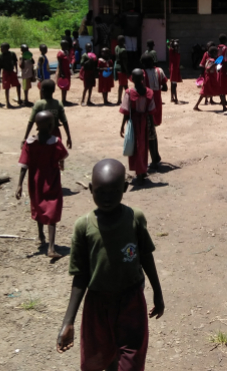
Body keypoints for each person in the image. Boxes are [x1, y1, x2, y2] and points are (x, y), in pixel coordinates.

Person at [57, 159, 164, 370]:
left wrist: (158, 293)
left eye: (114, 191)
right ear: (91, 189)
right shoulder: (83, 227)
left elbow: (146, 256)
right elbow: (80, 276)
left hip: (131, 301)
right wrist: (68, 321)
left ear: (124, 188)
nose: (107, 198)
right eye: (100, 192)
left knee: (132, 361)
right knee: (99, 358)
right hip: (98, 304)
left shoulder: (134, 218)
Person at [15, 110, 68, 259]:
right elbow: (62, 155)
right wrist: (61, 163)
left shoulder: (30, 143)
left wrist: (19, 185)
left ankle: (41, 236)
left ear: (36, 126)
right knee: (52, 210)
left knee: (38, 205)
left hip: (35, 181)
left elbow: (24, 165)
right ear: (51, 126)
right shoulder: (55, 142)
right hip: (51, 181)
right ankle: (51, 247)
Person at [120, 69, 157, 181]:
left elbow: (126, 112)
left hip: (133, 123)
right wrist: (152, 126)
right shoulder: (149, 92)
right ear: (142, 79)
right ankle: (142, 170)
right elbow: (151, 111)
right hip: (145, 122)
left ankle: (139, 172)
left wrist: (122, 126)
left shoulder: (129, 92)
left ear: (132, 79)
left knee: (135, 146)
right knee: (143, 146)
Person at [24, 80, 73, 149]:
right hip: (56, 133)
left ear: (42, 91)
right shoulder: (58, 104)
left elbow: (31, 122)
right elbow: (64, 121)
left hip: (42, 135)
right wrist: (69, 137)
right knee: (56, 152)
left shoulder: (38, 104)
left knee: (43, 152)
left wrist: (25, 138)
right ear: (54, 90)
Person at [194, 46, 227, 112]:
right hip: (210, 79)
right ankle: (224, 107)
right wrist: (214, 64)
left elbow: (215, 69)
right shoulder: (211, 61)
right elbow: (208, 69)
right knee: (216, 92)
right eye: (216, 53)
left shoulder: (210, 60)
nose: (217, 54)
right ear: (214, 53)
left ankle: (224, 107)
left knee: (205, 93)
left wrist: (217, 67)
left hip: (211, 78)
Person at [0, 42, 21, 108]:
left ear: (7, 48)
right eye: (1, 48)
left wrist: (16, 70)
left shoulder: (12, 54)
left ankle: (19, 99)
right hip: (5, 72)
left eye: (3, 48)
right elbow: (0, 66)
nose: (1, 49)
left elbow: (15, 62)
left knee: (18, 85)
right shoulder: (1, 56)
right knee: (7, 87)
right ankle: (7, 102)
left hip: (11, 71)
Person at [217, 35, 227, 101]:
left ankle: (222, 99)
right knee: (225, 83)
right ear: (224, 40)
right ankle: (223, 100)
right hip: (224, 68)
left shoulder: (217, 48)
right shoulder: (225, 48)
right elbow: (225, 60)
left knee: (220, 83)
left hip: (219, 67)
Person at [114, 35, 129, 105]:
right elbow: (124, 61)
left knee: (125, 84)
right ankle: (119, 100)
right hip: (122, 68)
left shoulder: (116, 47)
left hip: (117, 66)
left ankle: (128, 98)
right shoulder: (123, 50)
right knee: (122, 84)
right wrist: (126, 70)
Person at [57, 40, 73, 106]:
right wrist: (61, 73)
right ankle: (63, 100)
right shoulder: (60, 53)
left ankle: (65, 99)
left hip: (67, 70)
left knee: (66, 85)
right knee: (63, 85)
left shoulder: (66, 52)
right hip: (63, 71)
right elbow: (60, 64)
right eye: (66, 45)